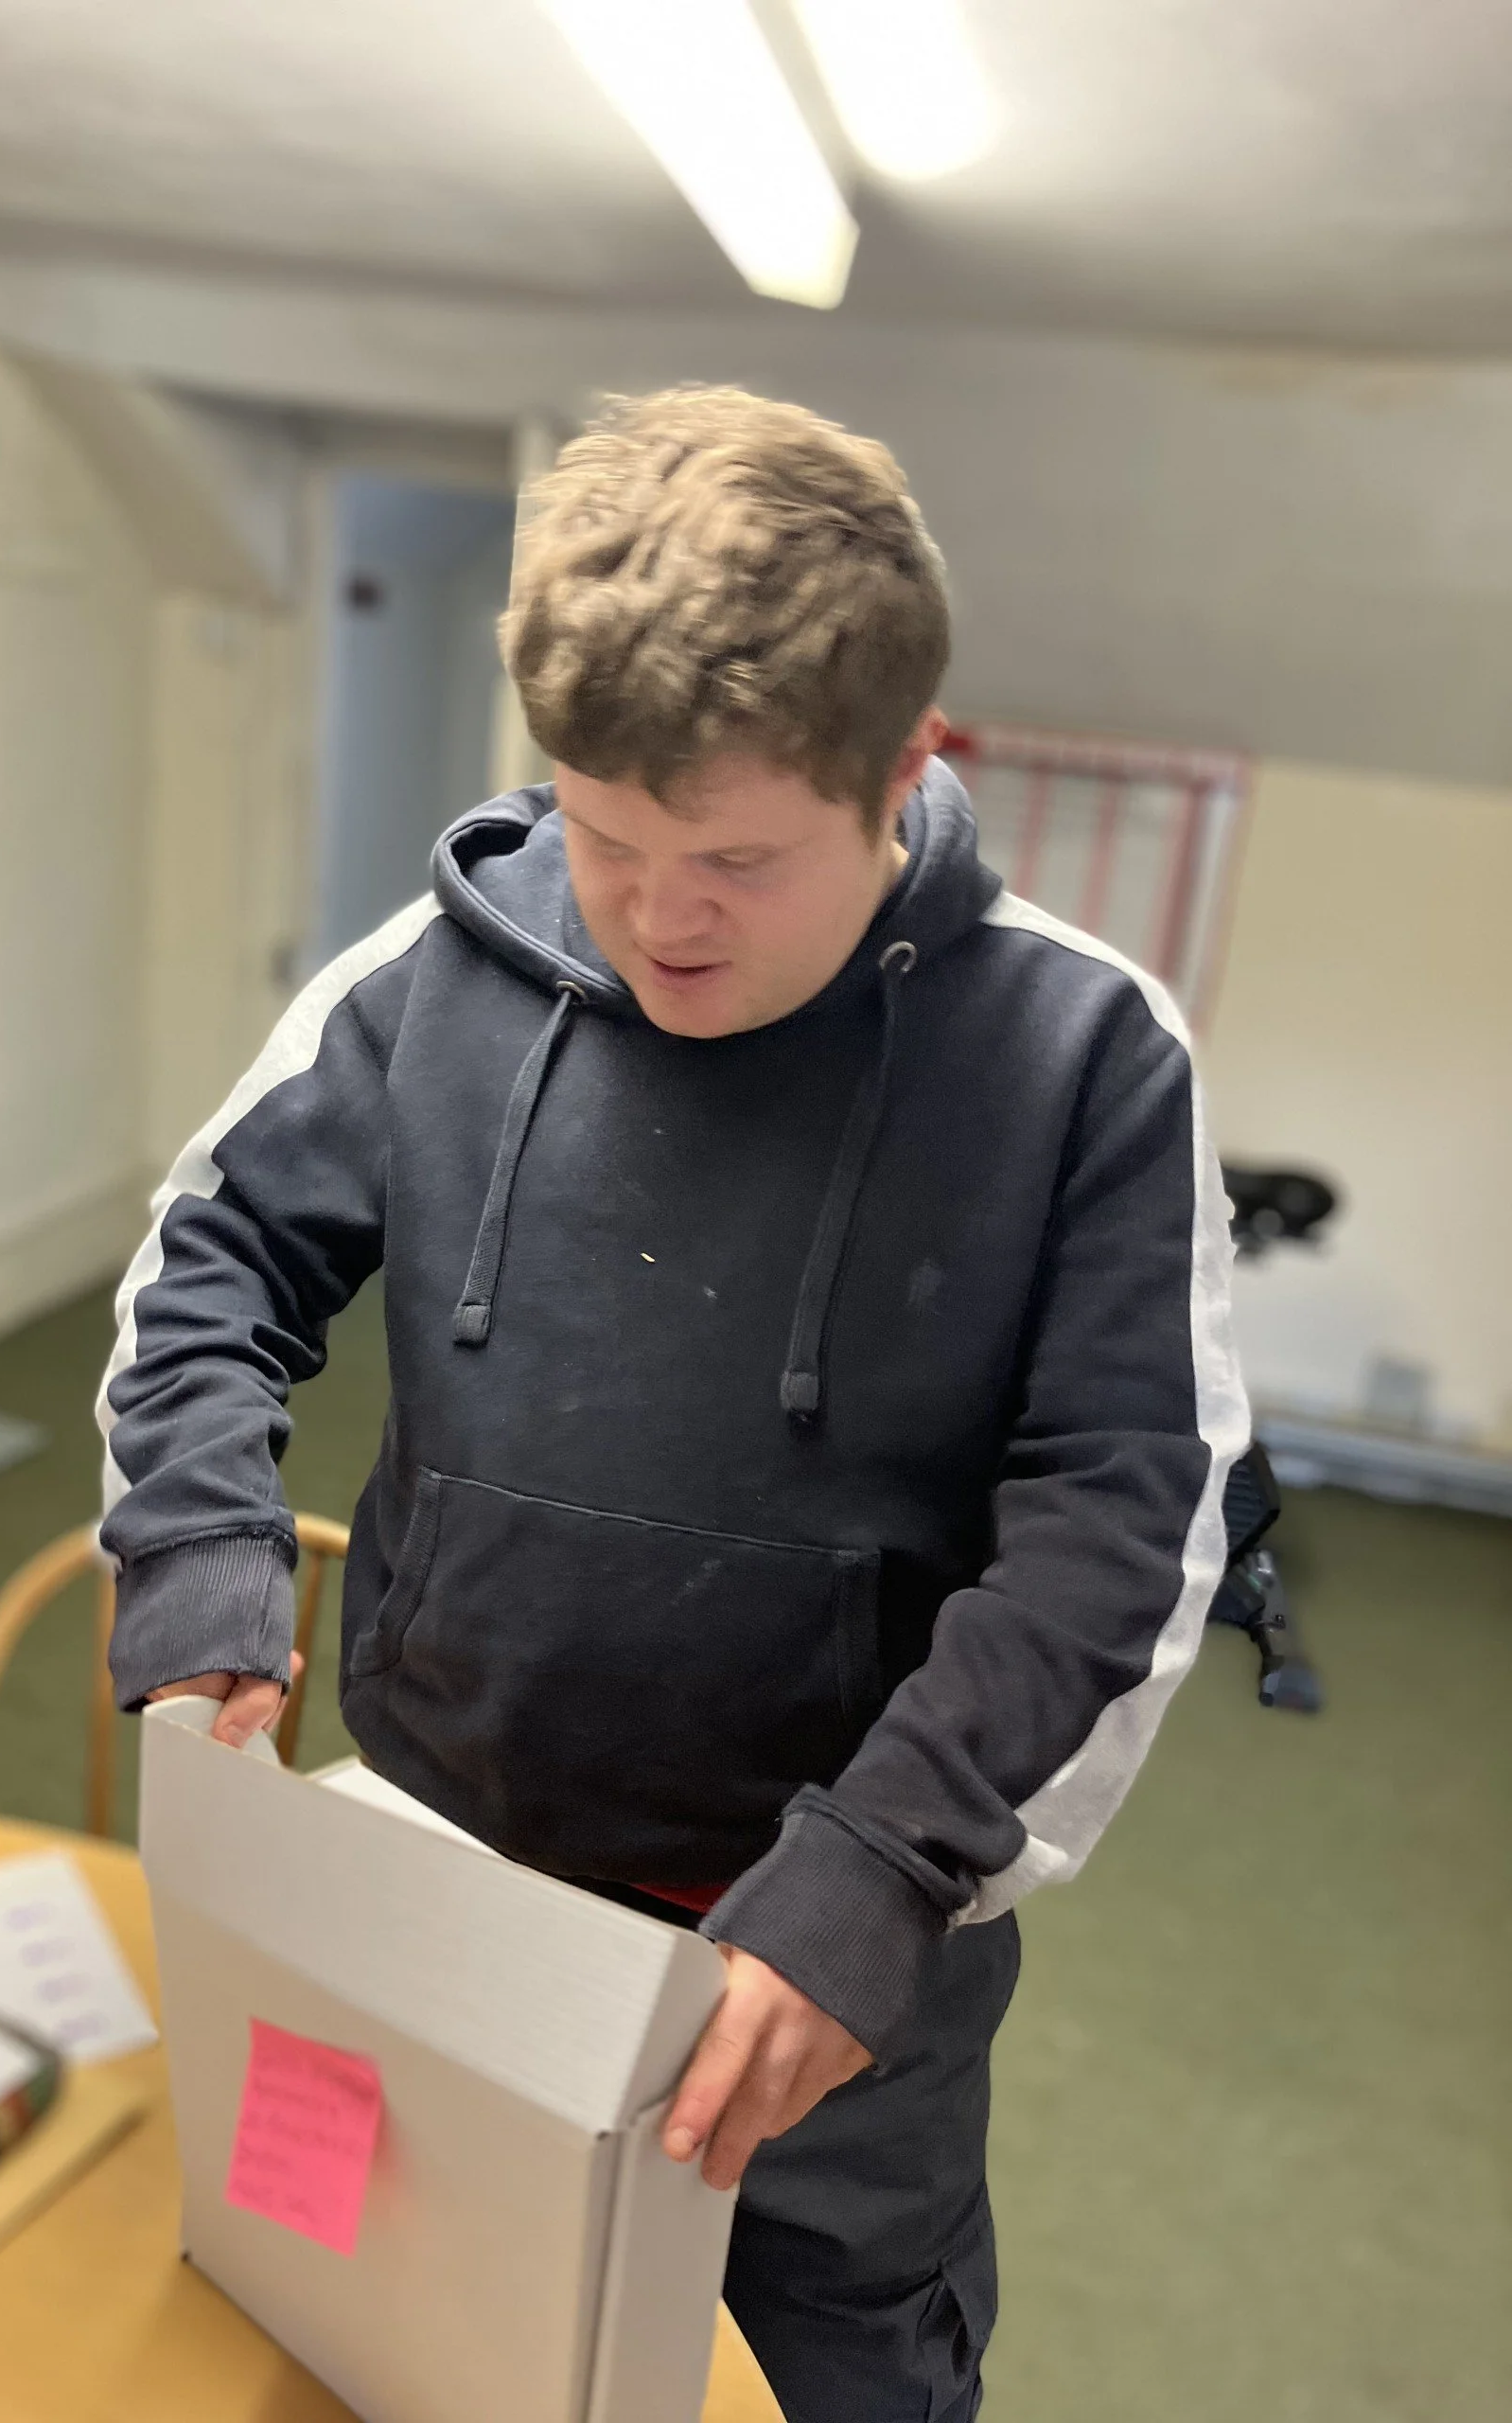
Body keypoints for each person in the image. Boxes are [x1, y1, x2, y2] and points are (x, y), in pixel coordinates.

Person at [97, 386, 1247, 2421]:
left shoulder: (1083, 1057)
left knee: (809, 2392)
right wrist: (198, 1548)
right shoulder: (446, 961)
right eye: (605, 830)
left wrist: (882, 1872)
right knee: (341, 2336)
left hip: (802, 1978)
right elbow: (212, 1259)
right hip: (427, 1878)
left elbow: (1119, 1523)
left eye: (734, 856)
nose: (654, 913)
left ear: (909, 766)